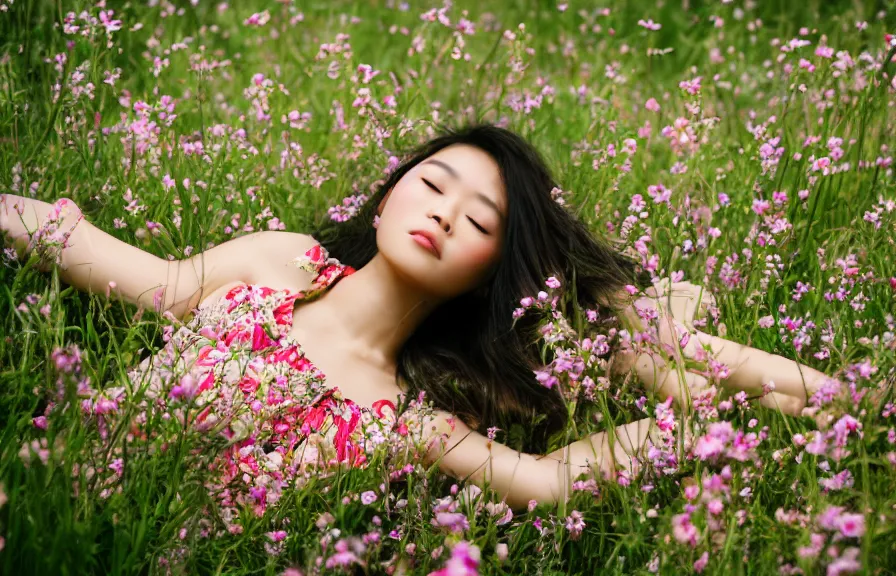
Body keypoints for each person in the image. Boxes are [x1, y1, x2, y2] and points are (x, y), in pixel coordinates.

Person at [0, 123, 835, 513]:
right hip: (33, 490)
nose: (444, 213)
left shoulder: (403, 418)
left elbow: (547, 482)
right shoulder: (277, 266)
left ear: (490, 276)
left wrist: (772, 400)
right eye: (435, 183)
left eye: (480, 222)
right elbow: (131, 268)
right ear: (393, 190)